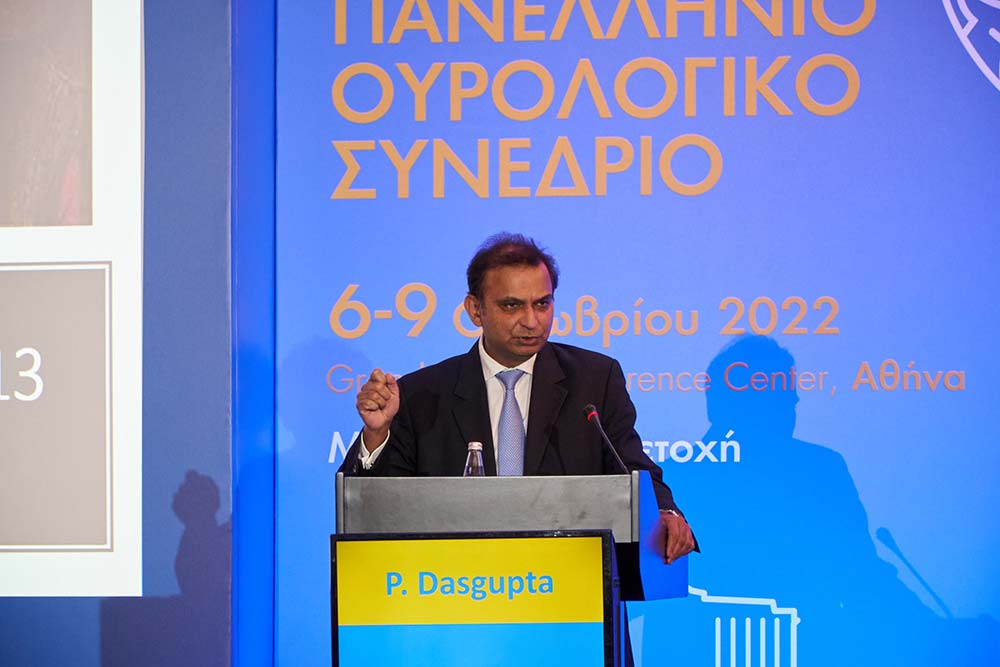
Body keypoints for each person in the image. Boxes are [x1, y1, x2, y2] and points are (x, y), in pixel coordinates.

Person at [339, 232, 695, 563]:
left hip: (569, 584)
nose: (532, 321)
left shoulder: (595, 380)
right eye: (512, 306)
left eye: (542, 304)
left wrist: (665, 513)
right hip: (455, 587)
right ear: (475, 310)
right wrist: (377, 435)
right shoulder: (422, 393)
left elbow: (631, 466)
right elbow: (377, 509)